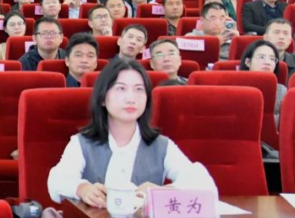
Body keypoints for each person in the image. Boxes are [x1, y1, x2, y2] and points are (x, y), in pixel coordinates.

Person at [47, 57, 216, 207]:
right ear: (102, 98)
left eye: (139, 89)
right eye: (121, 89)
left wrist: (163, 192)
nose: (131, 98)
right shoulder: (82, 143)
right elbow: (57, 180)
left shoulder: (161, 145)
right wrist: (82, 189)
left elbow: (204, 185)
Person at [239, 40, 288, 128]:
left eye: (272, 59)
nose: (267, 62)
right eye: (261, 57)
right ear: (248, 62)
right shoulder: (236, 88)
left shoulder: (282, 91)